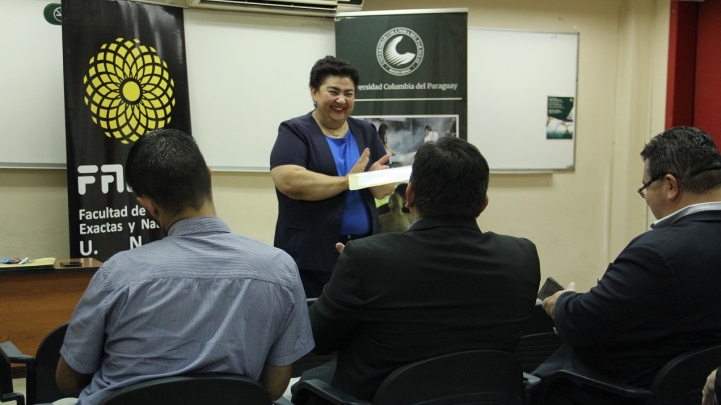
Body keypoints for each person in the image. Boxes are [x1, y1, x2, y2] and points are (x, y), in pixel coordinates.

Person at [55, 129, 314, 405]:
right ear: (208, 176)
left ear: (148, 205)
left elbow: (68, 381)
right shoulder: (280, 269)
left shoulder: (117, 274)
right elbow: (273, 387)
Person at [294, 137, 541, 402]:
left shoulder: (367, 258)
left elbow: (316, 339)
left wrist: (351, 278)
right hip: (484, 395)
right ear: (483, 204)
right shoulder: (522, 256)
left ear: (409, 195)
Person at [535, 126, 721, 404]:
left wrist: (563, 301)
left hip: (620, 390)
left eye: (645, 188)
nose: (646, 198)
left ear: (670, 186)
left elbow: (584, 323)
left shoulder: (656, 252)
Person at [270, 55, 394, 297]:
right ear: (314, 92)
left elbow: (384, 189)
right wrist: (350, 181)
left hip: (364, 250)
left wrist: (369, 179)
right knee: (314, 315)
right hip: (310, 256)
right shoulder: (294, 131)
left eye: (349, 93)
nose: (341, 100)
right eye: (333, 92)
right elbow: (290, 181)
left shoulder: (366, 131)